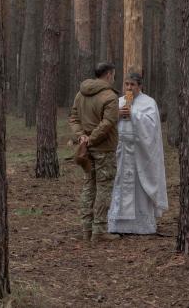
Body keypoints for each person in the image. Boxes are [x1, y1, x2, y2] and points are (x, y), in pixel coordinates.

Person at [108, 72, 168, 234]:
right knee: (120, 184)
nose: (129, 87)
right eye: (126, 84)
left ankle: (141, 225)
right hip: (121, 150)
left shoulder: (148, 102)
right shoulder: (118, 101)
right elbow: (108, 123)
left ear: (139, 86)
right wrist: (117, 115)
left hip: (140, 153)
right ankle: (119, 225)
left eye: (132, 85)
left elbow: (152, 127)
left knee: (139, 187)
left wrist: (133, 113)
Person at [69, 62, 121, 243]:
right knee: (103, 188)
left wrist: (81, 136)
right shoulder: (110, 96)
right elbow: (108, 123)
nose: (113, 78)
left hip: (85, 148)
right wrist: (90, 138)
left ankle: (86, 229)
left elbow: (74, 118)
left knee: (88, 186)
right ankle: (98, 230)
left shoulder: (80, 93)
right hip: (104, 148)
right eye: (113, 75)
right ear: (108, 75)